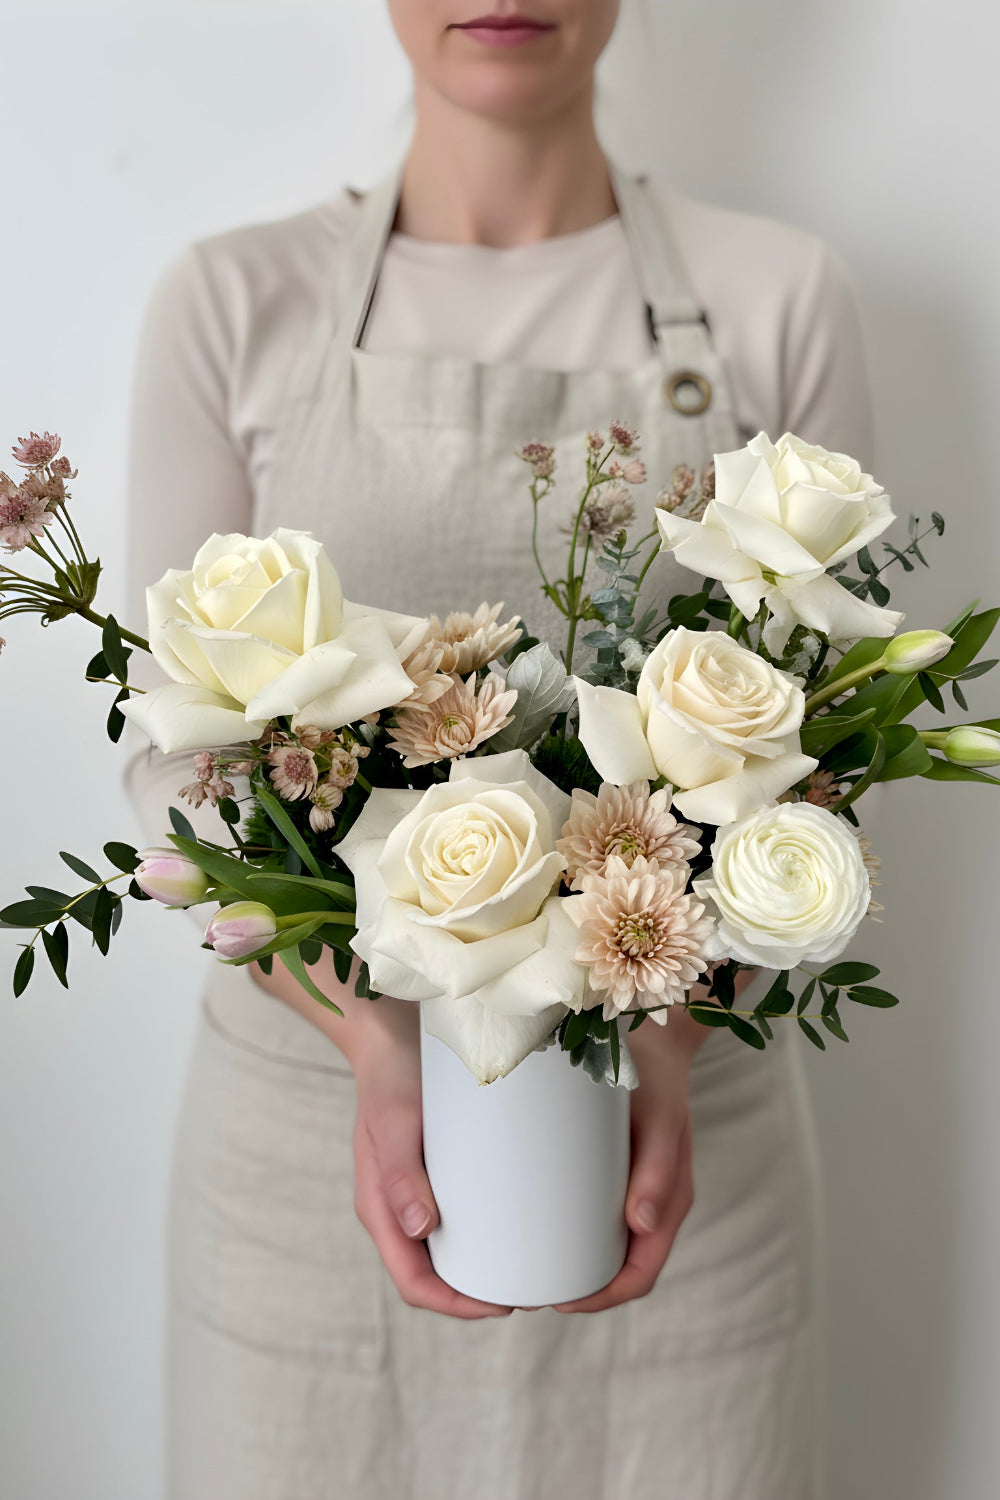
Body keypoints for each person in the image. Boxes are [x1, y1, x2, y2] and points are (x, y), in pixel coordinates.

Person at [123, 3, 876, 1495]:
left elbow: (833, 747)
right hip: (308, 1178)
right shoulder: (233, 303)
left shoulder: (775, 297)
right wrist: (378, 1041)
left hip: (689, 1166)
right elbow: (177, 778)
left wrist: (661, 1038)